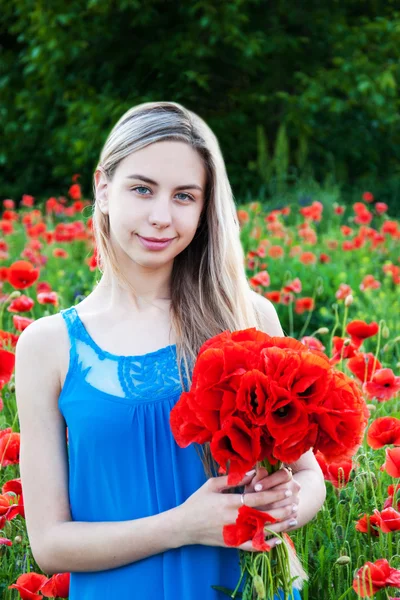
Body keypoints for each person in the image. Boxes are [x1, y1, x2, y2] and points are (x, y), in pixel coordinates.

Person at [15, 101, 326, 600]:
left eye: (184, 196)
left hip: (245, 587)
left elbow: (311, 477)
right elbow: (49, 545)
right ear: (103, 188)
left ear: (204, 209)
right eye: (142, 189)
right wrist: (184, 525)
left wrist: (287, 503)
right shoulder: (49, 346)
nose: (161, 217)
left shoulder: (247, 319)